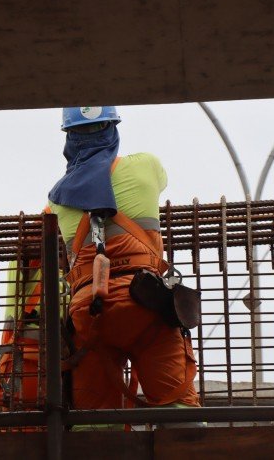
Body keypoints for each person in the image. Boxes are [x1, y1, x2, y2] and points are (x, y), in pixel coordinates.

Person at [49, 106, 199, 430]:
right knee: (178, 413)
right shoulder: (146, 165)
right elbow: (162, 181)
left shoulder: (56, 199)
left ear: (69, 138)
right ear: (112, 129)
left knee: (97, 426)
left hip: (88, 315)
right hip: (146, 306)